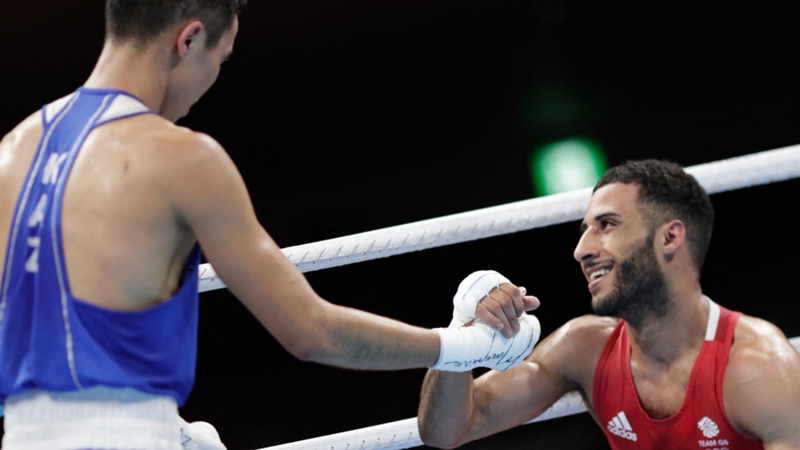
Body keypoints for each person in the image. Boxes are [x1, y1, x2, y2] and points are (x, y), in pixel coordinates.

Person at [0, 1, 541, 449]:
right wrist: (464, 347)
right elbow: (313, 332)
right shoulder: (179, 157)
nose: (212, 80)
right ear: (188, 40)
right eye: (220, 57)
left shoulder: (12, 152)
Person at [418, 160, 800, 449]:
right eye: (585, 230)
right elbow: (445, 431)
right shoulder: (584, 348)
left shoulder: (758, 366)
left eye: (607, 225)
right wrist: (461, 340)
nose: (582, 250)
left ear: (669, 238)